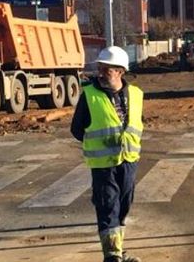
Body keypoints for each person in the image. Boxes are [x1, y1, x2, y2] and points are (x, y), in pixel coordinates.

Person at [71, 47, 143, 262]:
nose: (100, 73)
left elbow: (138, 123)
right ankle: (112, 256)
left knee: (123, 203)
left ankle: (117, 250)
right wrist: (99, 140)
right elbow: (77, 129)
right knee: (108, 204)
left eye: (106, 69)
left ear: (120, 71)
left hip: (129, 160)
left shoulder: (136, 95)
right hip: (103, 163)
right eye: (100, 68)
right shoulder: (90, 96)